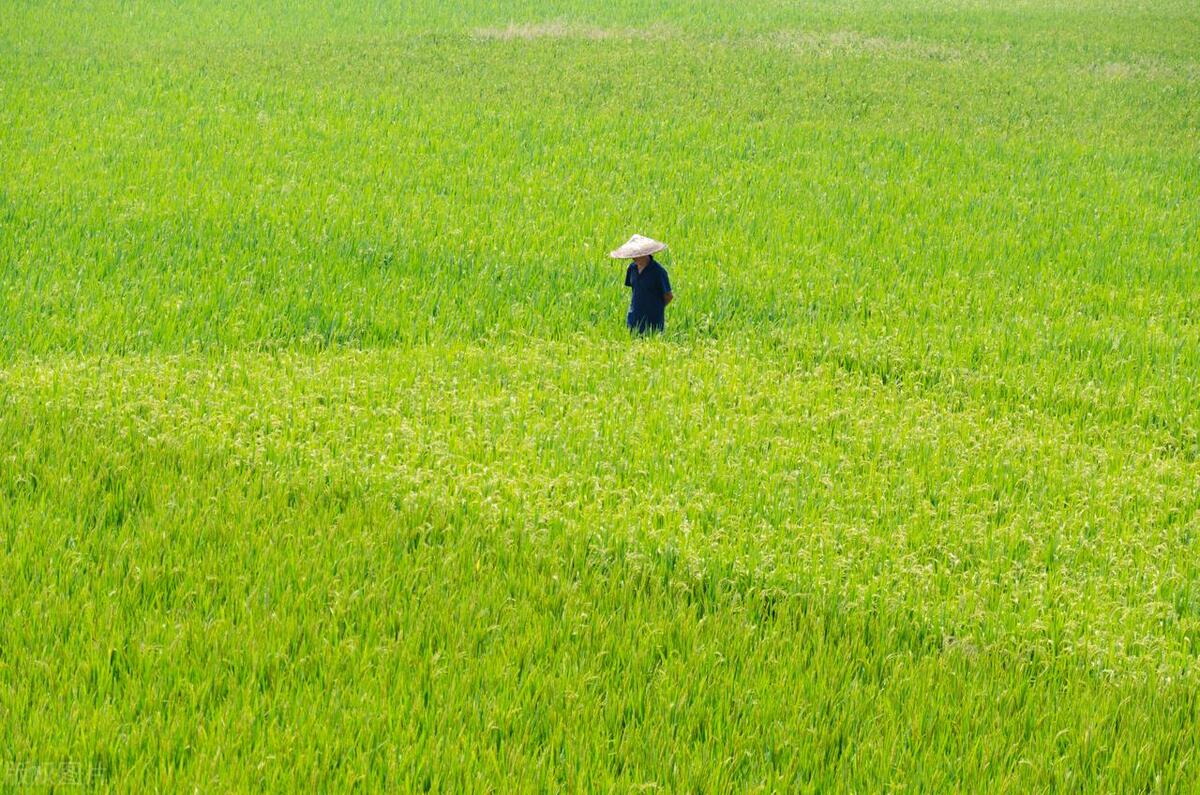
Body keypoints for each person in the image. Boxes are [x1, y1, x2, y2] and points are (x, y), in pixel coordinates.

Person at [610, 234, 674, 334]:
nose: (634, 257)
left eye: (637, 254)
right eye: (633, 254)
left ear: (646, 253)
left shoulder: (659, 272)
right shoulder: (632, 269)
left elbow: (668, 296)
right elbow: (635, 290)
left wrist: (655, 307)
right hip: (634, 318)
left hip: (653, 321)